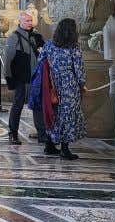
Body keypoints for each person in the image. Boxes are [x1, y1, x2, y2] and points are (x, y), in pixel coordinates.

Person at [36, 18, 86, 160]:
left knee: (54, 114)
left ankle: (50, 144)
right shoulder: (73, 47)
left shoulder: (49, 45)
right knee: (67, 116)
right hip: (69, 86)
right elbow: (79, 69)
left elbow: (41, 62)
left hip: (51, 85)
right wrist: (82, 84)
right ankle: (65, 148)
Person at [2, 11, 46, 146]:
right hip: (21, 78)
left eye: (31, 20)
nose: (30, 23)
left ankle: (42, 134)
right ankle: (13, 133)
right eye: (27, 21)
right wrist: (9, 78)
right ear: (20, 22)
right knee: (17, 105)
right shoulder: (13, 37)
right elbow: (8, 59)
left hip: (36, 78)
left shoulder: (37, 36)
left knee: (38, 106)